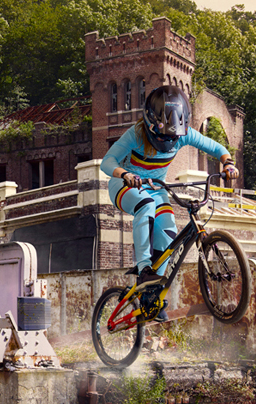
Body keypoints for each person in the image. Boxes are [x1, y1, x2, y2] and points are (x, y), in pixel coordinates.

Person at [101, 85, 238, 308]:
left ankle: (153, 294)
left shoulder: (182, 135)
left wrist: (228, 163)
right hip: (124, 186)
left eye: (173, 138)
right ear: (150, 124)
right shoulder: (136, 134)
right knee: (145, 205)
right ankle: (144, 269)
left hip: (157, 189)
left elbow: (216, 147)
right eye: (163, 136)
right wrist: (125, 174)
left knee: (169, 231)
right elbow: (107, 162)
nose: (168, 143)